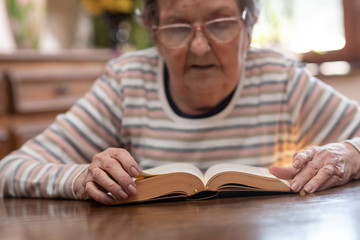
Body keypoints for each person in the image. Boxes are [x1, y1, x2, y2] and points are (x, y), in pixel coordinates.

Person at [1, 0, 360, 204]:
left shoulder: (280, 79)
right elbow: (12, 168)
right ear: (155, 36)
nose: (200, 47)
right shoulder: (128, 81)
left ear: (248, 30)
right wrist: (81, 178)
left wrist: (349, 155)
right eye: (177, 27)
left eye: (220, 23)